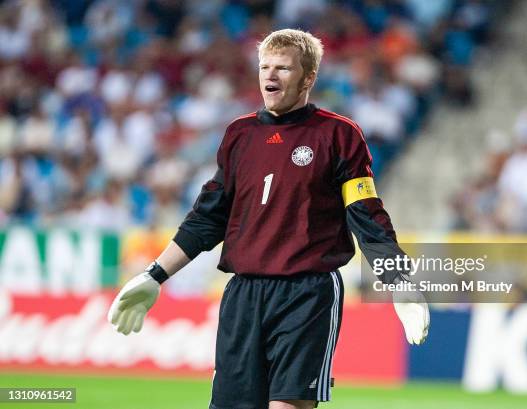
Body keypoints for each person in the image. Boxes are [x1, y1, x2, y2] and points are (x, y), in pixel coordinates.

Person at [108, 29, 429, 409]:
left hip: (307, 294)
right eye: (264, 67)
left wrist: (399, 279)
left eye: (283, 68)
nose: (270, 76)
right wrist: (154, 275)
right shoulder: (239, 135)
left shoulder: (339, 135)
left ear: (308, 77)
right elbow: (207, 218)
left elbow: (367, 216)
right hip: (243, 295)